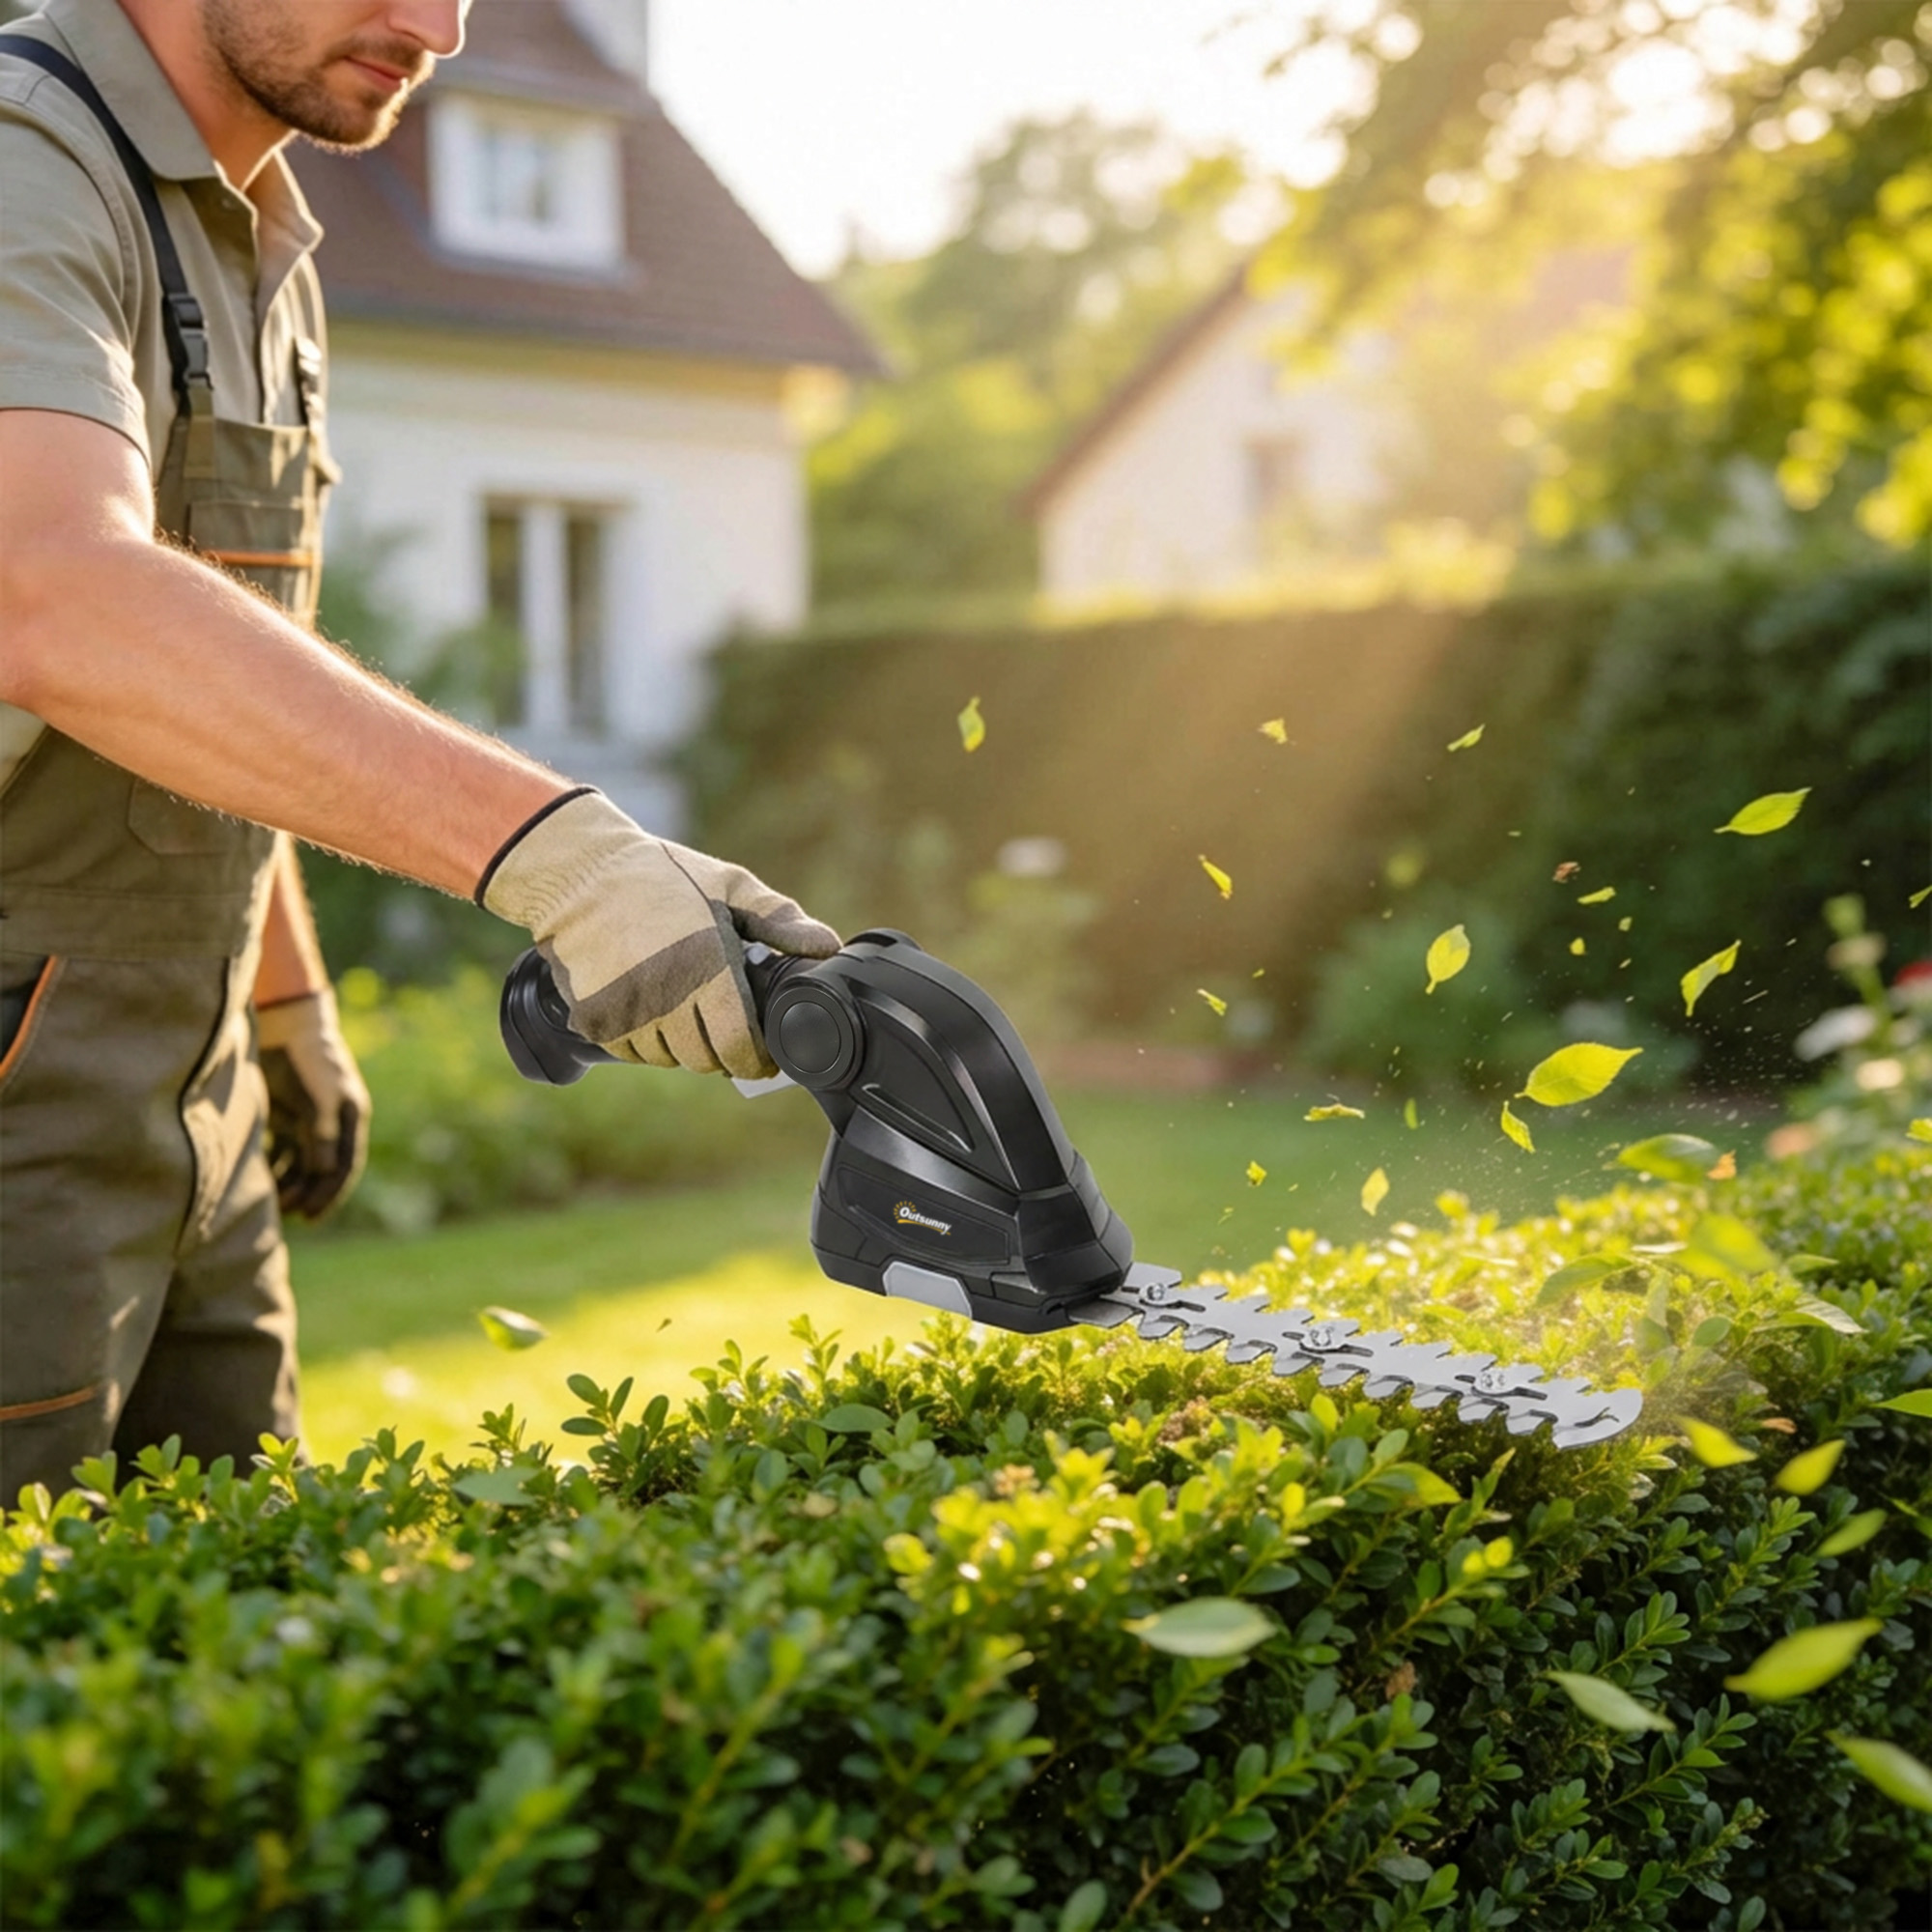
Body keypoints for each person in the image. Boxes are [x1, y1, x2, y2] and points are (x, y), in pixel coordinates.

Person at [0, 0, 839, 1501]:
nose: (440, 28)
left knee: (244, 1654)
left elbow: (207, 678)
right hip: (17, 1114)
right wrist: (570, 863)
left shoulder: (268, 239)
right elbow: (53, 594)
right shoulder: (25, 151)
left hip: (196, 1104)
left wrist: (283, 1001)